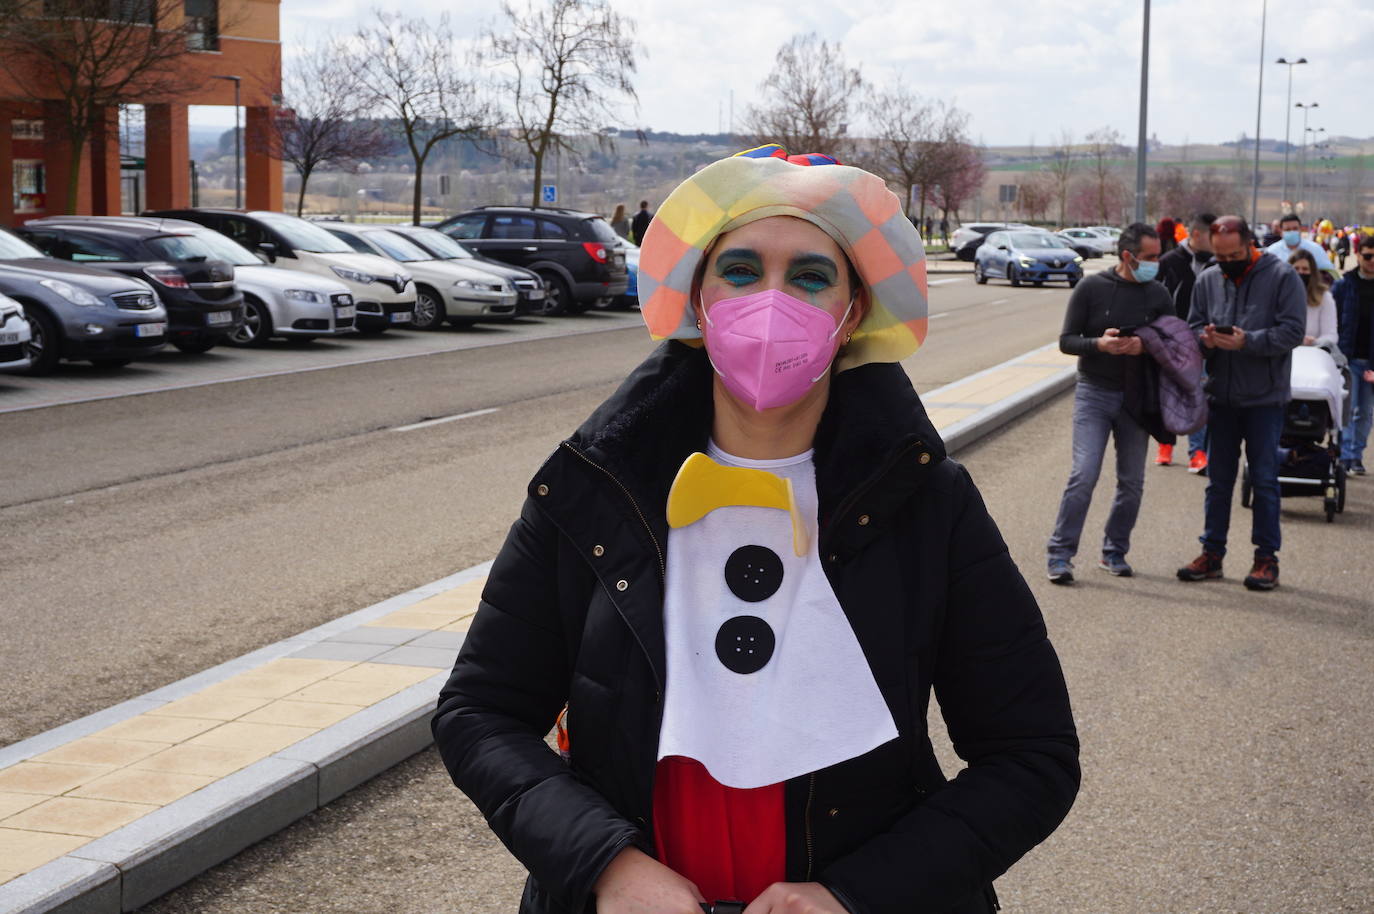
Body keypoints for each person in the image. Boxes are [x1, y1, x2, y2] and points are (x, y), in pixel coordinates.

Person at [432, 144, 1080, 914]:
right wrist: (605, 865)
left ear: (852, 315)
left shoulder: (928, 503)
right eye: (740, 271)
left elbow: (1031, 757)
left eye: (810, 278)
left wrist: (856, 895)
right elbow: (480, 713)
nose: (771, 301)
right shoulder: (594, 490)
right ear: (697, 302)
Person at [1177, 216, 1305, 592]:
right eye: (1219, 255)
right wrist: (1206, 340)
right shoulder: (1207, 279)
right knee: (1218, 483)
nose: (1226, 261)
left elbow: (1293, 331)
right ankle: (1211, 554)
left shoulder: (1282, 277)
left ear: (1250, 244)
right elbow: (1191, 329)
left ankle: (1266, 559)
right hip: (1221, 396)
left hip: (1265, 399)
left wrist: (1249, 341)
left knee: (1264, 480)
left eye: (1233, 254)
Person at [1046, 223, 1173, 584]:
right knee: (1083, 474)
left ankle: (1114, 551)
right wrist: (1098, 345)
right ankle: (1060, 554)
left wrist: (1145, 346)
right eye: (1149, 257)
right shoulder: (1092, 288)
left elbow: (1177, 343)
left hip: (1138, 398)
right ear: (1128, 256)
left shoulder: (1159, 294)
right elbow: (1067, 341)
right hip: (1094, 392)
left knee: (1132, 481)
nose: (1156, 263)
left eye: (1157, 256)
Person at [1155, 212, 1216, 469]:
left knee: (1198, 394)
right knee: (1167, 392)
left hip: (1203, 340)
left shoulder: (1217, 266)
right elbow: (1155, 297)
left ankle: (1198, 452)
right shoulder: (1169, 262)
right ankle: (1165, 444)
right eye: (1213, 237)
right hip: (1171, 339)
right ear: (1197, 235)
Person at [1334, 233, 1374, 475]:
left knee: (1366, 411)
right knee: (1348, 409)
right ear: (1358, 255)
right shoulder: (1343, 285)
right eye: (1368, 256)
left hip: (1371, 362)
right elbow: (1333, 320)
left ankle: (1356, 455)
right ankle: (1345, 455)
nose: (1372, 261)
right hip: (1347, 358)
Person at [1288, 249, 1338, 349]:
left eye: (1305, 269)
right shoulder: (1280, 296)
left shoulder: (1324, 298)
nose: (1300, 272)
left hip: (1313, 354)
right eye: (1296, 268)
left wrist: (1314, 341)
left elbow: (1331, 335)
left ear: (1312, 272)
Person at [1266, 212, 1336, 275]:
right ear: (1281, 231)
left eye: (1295, 229)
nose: (1291, 232)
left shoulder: (1315, 249)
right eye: (1287, 229)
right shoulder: (1272, 252)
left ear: (1300, 229)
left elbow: (1329, 273)